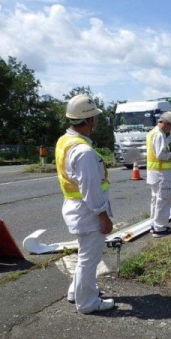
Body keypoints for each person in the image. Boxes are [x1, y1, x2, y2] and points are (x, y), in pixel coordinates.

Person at [55, 94, 114, 314]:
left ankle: (76, 292)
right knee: (90, 260)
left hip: (75, 207)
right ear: (89, 121)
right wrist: (102, 215)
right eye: (94, 119)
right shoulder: (84, 151)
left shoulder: (65, 140)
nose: (96, 123)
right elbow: (90, 188)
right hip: (87, 212)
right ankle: (88, 303)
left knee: (85, 257)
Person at [147, 111, 171, 238]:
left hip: (153, 172)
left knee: (155, 199)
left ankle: (154, 225)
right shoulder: (159, 135)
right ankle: (159, 228)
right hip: (162, 173)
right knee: (163, 199)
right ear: (166, 124)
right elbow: (161, 155)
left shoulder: (151, 133)